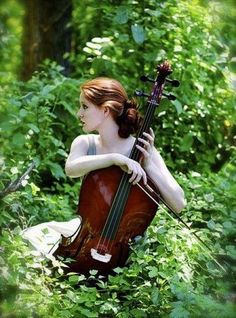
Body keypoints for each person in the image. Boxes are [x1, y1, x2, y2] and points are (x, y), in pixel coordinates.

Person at [22, 77, 185, 256]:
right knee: (32, 238)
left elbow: (179, 203)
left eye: (85, 106)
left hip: (123, 246)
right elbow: (72, 169)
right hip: (87, 230)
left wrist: (149, 166)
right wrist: (113, 159)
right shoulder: (85, 142)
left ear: (105, 110)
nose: (79, 113)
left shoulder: (141, 148)